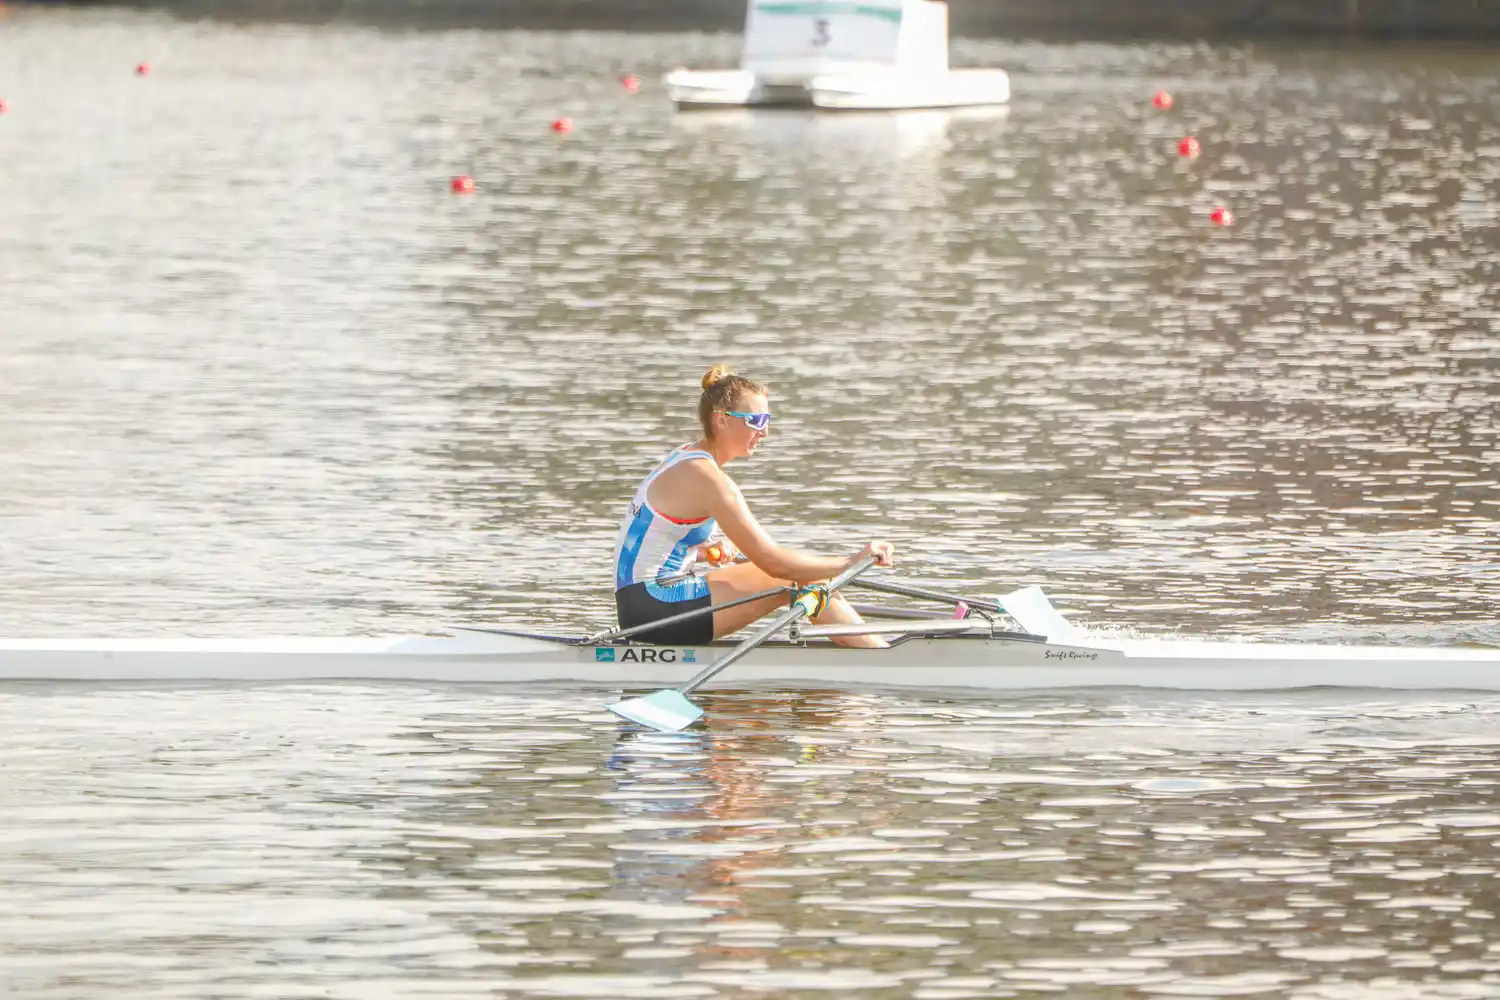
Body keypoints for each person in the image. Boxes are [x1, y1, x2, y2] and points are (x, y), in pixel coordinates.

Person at [612, 365, 895, 648]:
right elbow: (773, 562)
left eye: (767, 418)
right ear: (721, 420)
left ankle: (870, 653)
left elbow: (652, 543)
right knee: (799, 580)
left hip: (640, 606)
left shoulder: (685, 456)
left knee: (806, 575)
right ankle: (883, 660)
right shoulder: (708, 480)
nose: (766, 432)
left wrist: (699, 552)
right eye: (756, 420)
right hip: (656, 607)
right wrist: (850, 562)